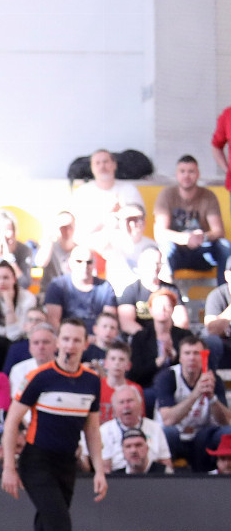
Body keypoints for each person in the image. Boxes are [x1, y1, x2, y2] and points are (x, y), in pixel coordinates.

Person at [1, 316, 105, 531]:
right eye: (66, 339)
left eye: (77, 340)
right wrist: (9, 466)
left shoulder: (91, 381)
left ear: (85, 345)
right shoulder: (40, 377)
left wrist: (99, 469)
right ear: (58, 343)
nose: (70, 346)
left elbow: (92, 429)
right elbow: (12, 422)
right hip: (36, 462)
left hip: (66, 465)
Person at [150, 338, 230, 470]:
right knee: (169, 432)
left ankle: (212, 475)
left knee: (226, 432)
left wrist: (212, 397)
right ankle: (166, 475)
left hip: (203, 437)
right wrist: (196, 393)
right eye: (187, 353)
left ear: (204, 357)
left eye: (196, 353)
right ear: (180, 357)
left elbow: (226, 421)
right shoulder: (167, 377)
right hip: (176, 436)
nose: (192, 358)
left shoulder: (213, 379)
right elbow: (168, 420)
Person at [154, 154, 228, 283]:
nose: (186, 176)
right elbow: (160, 232)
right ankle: (167, 291)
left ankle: (225, 291)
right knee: (165, 248)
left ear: (198, 174)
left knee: (225, 246)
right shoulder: (166, 195)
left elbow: (219, 231)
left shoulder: (208, 196)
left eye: (191, 171)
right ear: (177, 174)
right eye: (182, 171)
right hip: (177, 251)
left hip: (202, 250)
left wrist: (202, 237)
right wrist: (185, 239)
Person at [70, 148, 143, 248]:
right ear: (92, 168)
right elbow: (79, 232)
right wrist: (109, 214)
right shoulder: (82, 193)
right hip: (91, 248)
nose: (102, 166)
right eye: (97, 163)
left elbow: (137, 228)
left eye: (105, 162)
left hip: (125, 247)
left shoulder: (129, 190)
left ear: (114, 165)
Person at [0, 260, 36, 368]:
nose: (2, 282)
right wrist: (8, 332)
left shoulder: (28, 297)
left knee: (16, 346)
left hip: (20, 340)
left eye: (6, 278)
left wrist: (9, 304)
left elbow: (17, 333)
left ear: (14, 279)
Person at [128, 287, 191, 387]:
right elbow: (135, 372)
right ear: (151, 310)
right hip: (148, 385)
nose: (163, 309)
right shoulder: (140, 337)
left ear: (173, 309)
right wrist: (159, 361)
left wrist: (174, 357)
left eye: (167, 305)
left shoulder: (185, 336)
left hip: (178, 386)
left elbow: (191, 365)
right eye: (158, 306)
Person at [100, 384, 171, 470]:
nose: (126, 406)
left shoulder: (155, 427)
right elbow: (105, 469)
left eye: (130, 401)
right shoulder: (104, 431)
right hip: (118, 475)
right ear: (114, 408)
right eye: (121, 402)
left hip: (151, 475)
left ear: (140, 404)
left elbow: (166, 463)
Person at [42, 247, 116, 329]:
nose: (84, 266)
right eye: (79, 261)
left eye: (89, 262)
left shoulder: (105, 288)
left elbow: (109, 322)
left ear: (94, 264)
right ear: (70, 262)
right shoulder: (57, 286)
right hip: (66, 335)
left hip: (98, 336)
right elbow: (53, 322)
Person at [8, 320, 58, 397]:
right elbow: (17, 398)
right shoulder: (18, 370)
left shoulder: (66, 368)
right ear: (30, 347)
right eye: (36, 343)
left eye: (46, 342)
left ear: (56, 345)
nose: (41, 347)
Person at [36, 209, 80, 287]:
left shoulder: (79, 250)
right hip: (50, 289)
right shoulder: (49, 246)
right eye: (63, 227)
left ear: (75, 226)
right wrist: (49, 241)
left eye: (70, 226)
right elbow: (40, 263)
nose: (67, 230)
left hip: (71, 291)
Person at [97, 342, 138, 423]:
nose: (117, 363)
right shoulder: (96, 387)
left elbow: (139, 420)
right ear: (105, 363)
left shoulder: (135, 390)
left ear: (128, 365)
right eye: (113, 359)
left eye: (121, 359)